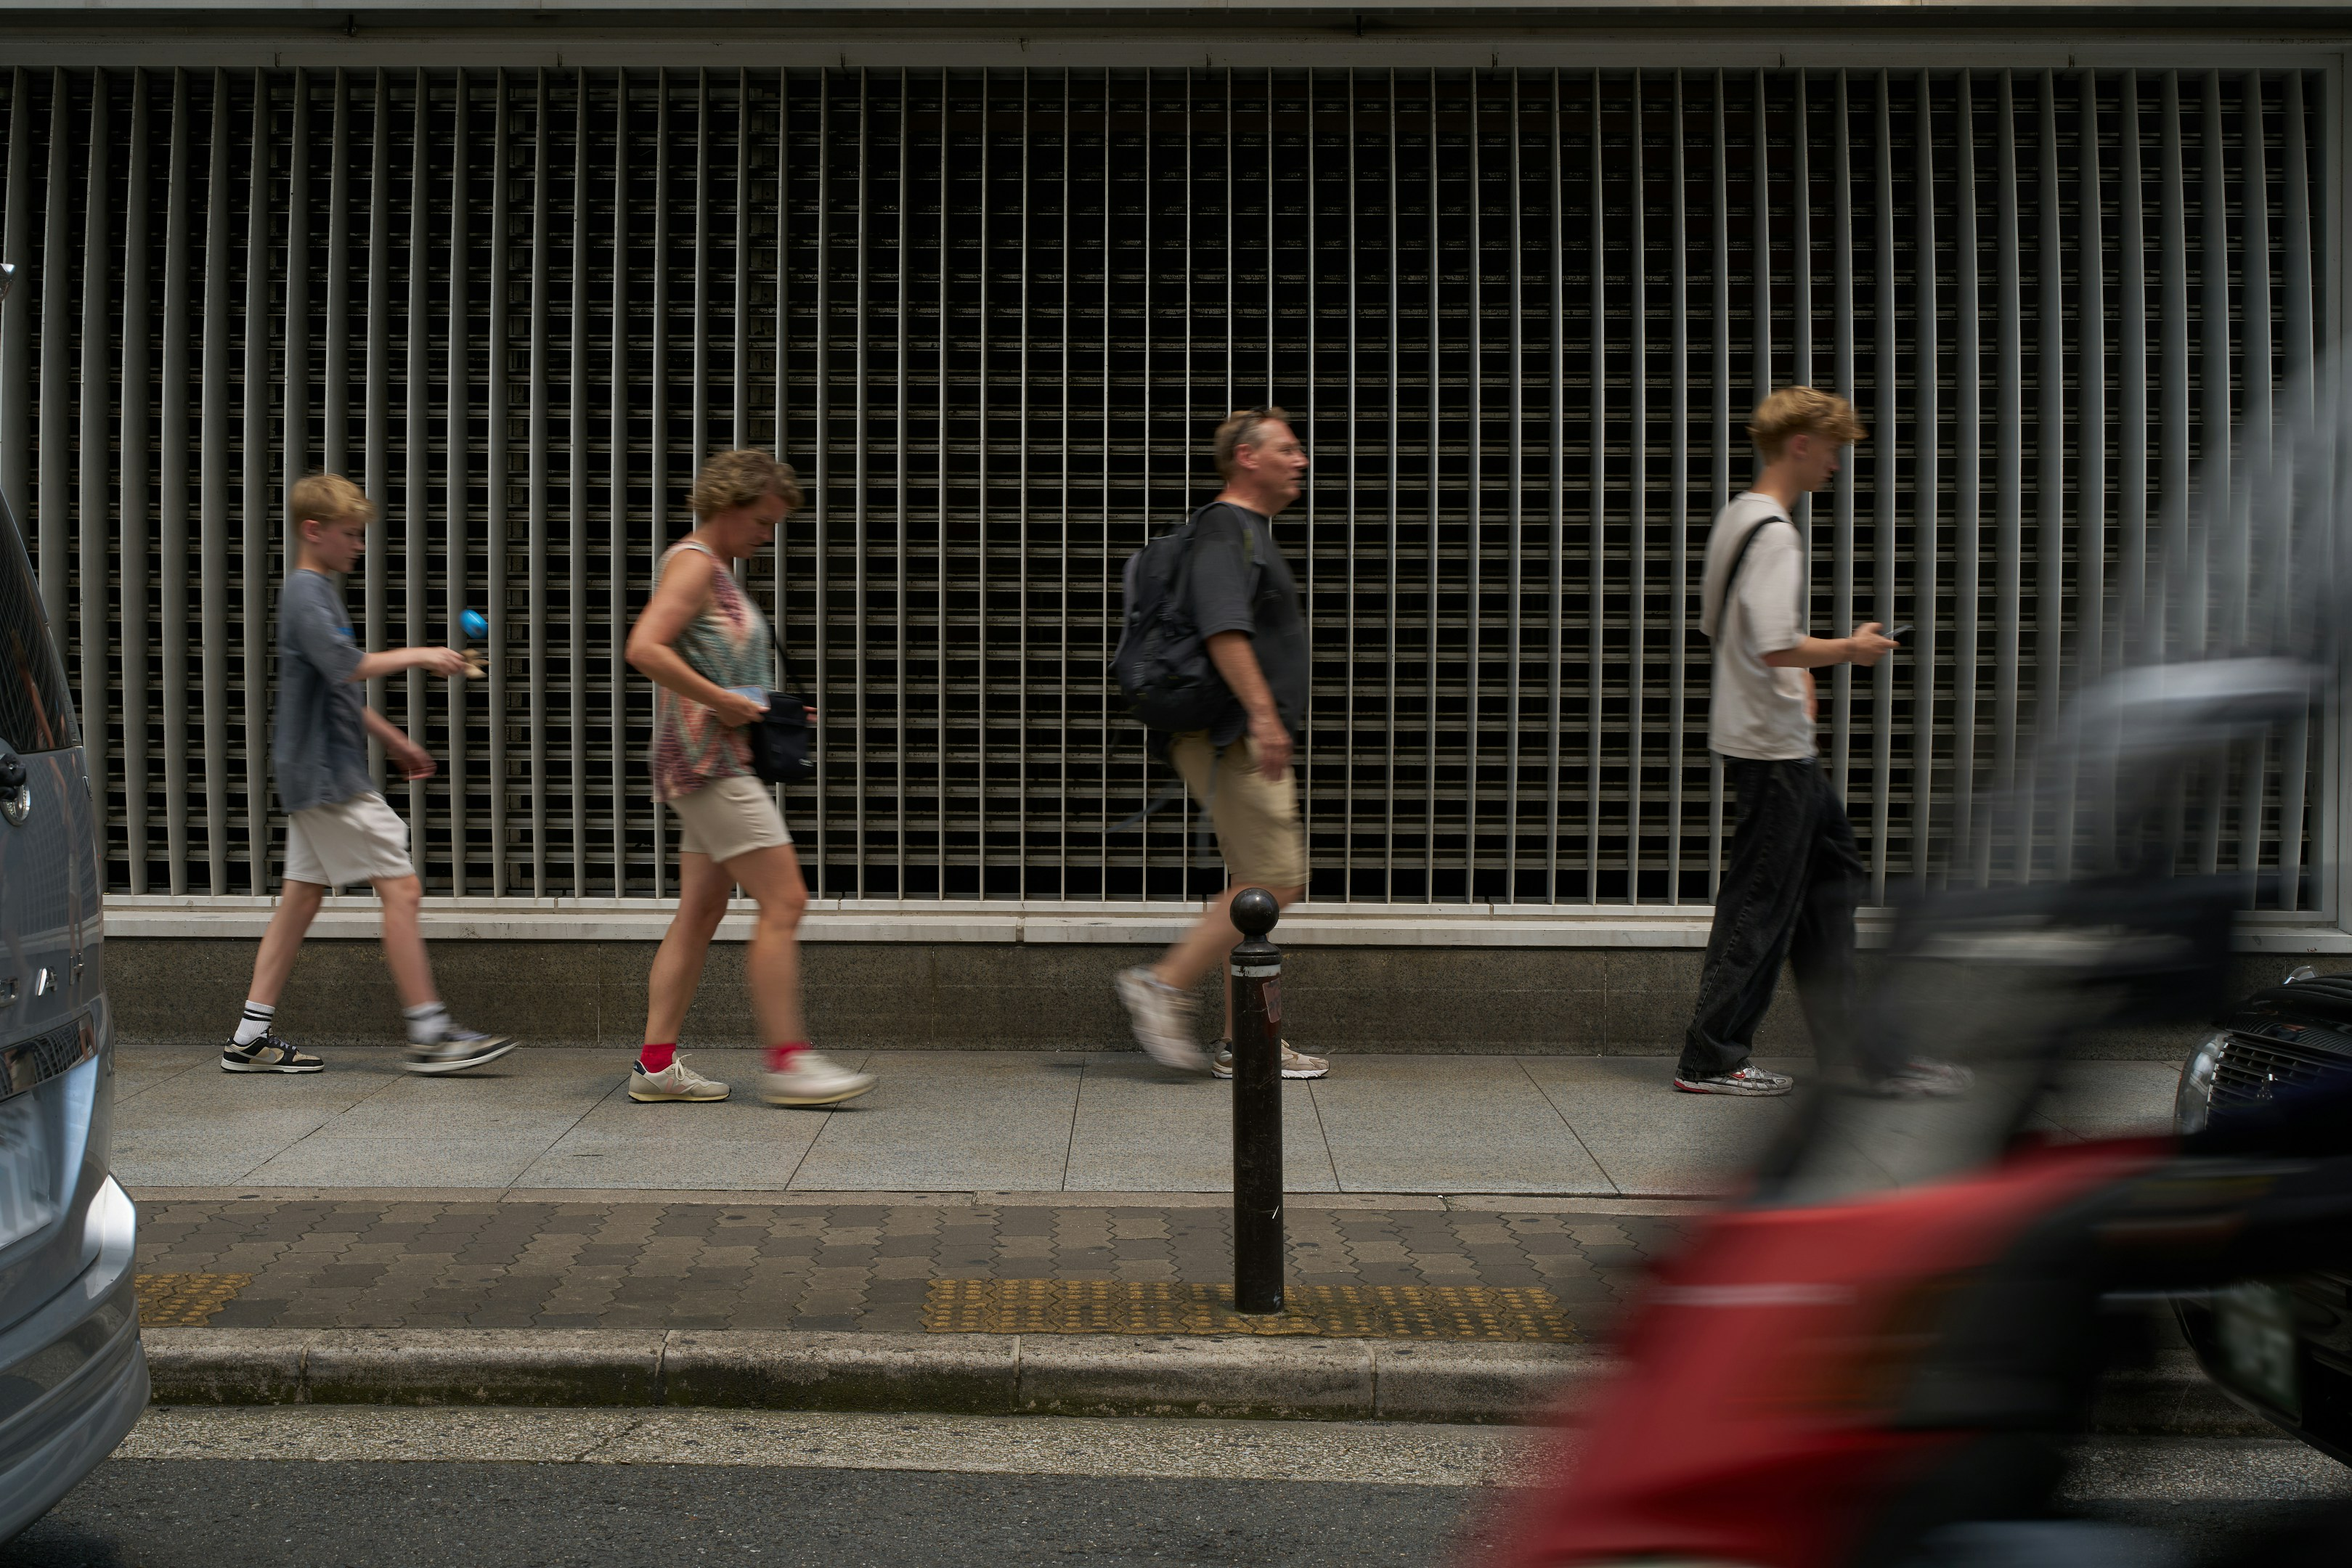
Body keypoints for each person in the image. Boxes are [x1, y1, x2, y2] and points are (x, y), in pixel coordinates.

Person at [1675, 388, 1940, 1097]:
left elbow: (1716, 626)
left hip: (1770, 737)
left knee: (1831, 887)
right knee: (1760, 902)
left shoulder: (1735, 519)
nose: (1834, 464)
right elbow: (1769, 644)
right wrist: (1846, 650)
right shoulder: (1775, 532)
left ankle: (1857, 1050)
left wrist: (1796, 678)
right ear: (1798, 445)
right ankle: (1710, 1057)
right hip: (1772, 750)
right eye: (1830, 450)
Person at [221, 473, 517, 1075]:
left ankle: (249, 1036)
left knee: (300, 901)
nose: (359, 545)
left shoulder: (320, 591)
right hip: (329, 776)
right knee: (401, 888)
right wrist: (425, 654)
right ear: (314, 531)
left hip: (318, 769)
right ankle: (430, 1033)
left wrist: (394, 740)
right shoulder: (307, 593)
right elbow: (347, 665)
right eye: (351, 535)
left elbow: (334, 689)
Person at [623, 449, 874, 1109]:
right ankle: (789, 1061)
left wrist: (763, 703)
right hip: (709, 762)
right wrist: (724, 702)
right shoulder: (694, 564)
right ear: (730, 507)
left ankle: (655, 1065)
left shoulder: (712, 569)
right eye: (763, 521)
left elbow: (705, 657)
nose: (767, 536)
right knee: (785, 900)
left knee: (700, 910)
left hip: (709, 759)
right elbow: (643, 648)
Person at [1115, 407, 1327, 1081]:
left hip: (1235, 733)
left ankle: (1247, 1044)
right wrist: (1264, 717)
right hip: (1233, 733)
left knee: (1253, 892)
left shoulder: (1245, 532)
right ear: (1247, 456)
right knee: (1278, 880)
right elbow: (1223, 629)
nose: (1301, 461)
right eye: (1288, 449)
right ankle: (1162, 984)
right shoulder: (1223, 528)